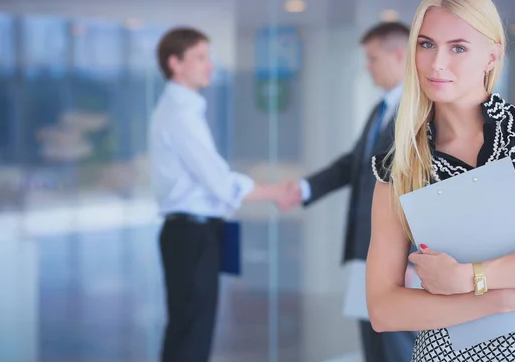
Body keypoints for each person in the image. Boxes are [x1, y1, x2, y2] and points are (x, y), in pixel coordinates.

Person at [366, 0, 515, 361]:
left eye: (458, 47)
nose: (437, 62)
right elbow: (383, 309)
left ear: (493, 55)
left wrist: (471, 277)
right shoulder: (400, 168)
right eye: (426, 45)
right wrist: (501, 300)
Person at [149, 27, 288, 362]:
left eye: (208, 57)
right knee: (192, 334)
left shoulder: (180, 109)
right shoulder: (181, 114)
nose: (210, 65)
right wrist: (276, 191)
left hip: (190, 232)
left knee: (186, 329)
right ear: (175, 63)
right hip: (192, 234)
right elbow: (220, 184)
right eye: (200, 58)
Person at [282, 22, 416, 362]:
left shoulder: (418, 114)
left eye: (372, 58)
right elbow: (354, 165)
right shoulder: (381, 109)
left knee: (395, 345)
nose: (366, 67)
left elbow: (422, 185)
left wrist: (415, 253)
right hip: (366, 249)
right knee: (373, 343)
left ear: (399, 55)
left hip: (397, 255)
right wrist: (304, 188)